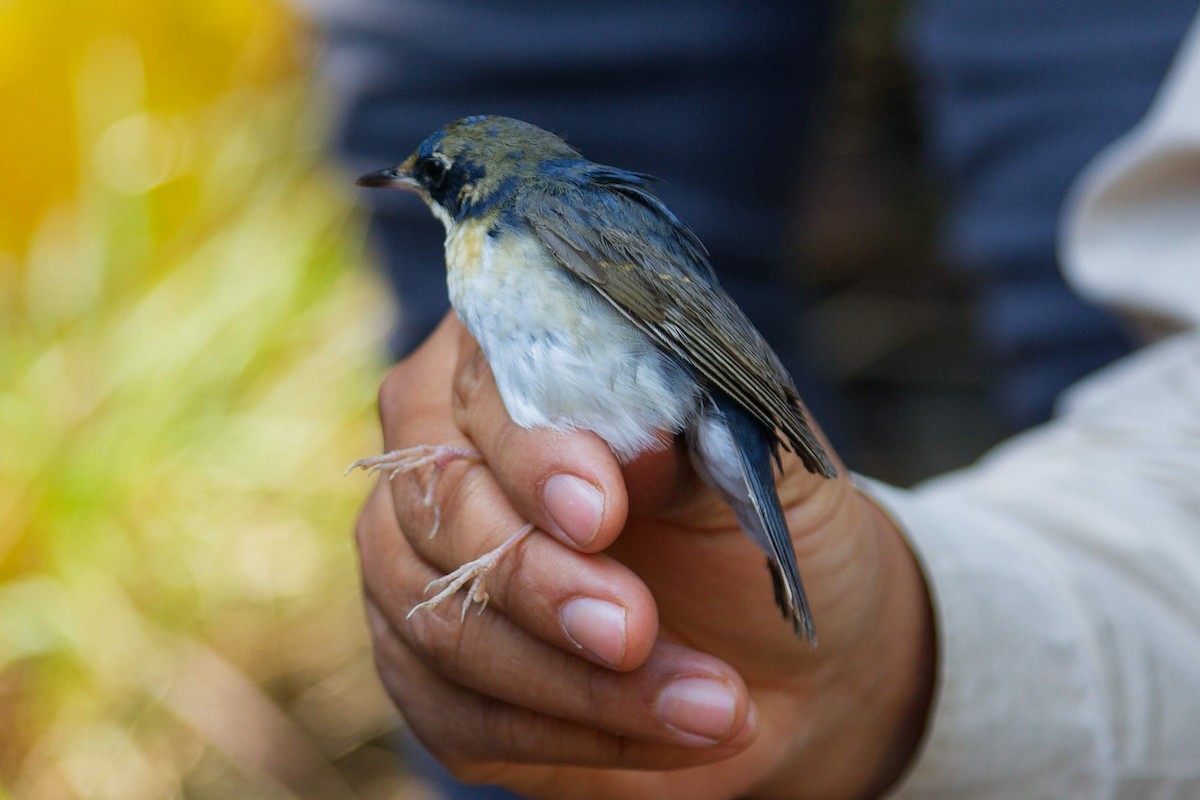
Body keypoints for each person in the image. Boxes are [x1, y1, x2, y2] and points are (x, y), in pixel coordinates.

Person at [349, 8, 1200, 800]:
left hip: (693, 402)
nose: (411, 186)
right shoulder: (482, 242)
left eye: (426, 178)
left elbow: (685, 318)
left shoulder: (542, 211)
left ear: (464, 181)